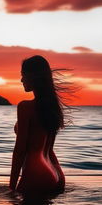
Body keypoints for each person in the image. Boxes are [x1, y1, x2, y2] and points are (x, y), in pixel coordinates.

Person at [9, 55, 66, 195]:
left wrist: (11, 188)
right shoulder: (52, 107)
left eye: (23, 75)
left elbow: (20, 151)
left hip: (36, 172)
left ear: (33, 77)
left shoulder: (25, 107)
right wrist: (59, 177)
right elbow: (49, 149)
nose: (21, 80)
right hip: (55, 172)